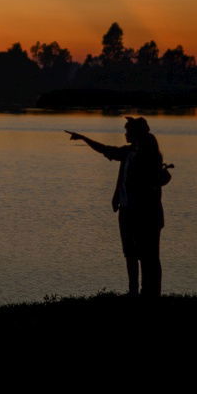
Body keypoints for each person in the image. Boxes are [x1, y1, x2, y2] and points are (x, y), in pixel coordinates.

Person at [65, 117, 165, 297]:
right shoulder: (128, 152)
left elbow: (155, 181)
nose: (125, 134)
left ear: (136, 134)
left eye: (128, 131)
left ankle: (151, 293)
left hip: (145, 214)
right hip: (127, 211)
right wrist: (84, 138)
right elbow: (107, 151)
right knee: (130, 253)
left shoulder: (149, 156)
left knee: (148, 256)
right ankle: (134, 291)